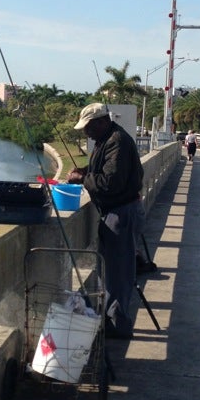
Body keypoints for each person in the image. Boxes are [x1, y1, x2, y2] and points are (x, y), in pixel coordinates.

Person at [67, 102, 145, 340]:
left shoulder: (117, 142)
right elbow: (99, 170)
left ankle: (117, 326)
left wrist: (83, 178)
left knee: (119, 274)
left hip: (121, 214)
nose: (85, 132)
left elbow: (111, 183)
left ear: (101, 122)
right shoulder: (106, 140)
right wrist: (84, 171)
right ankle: (110, 319)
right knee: (111, 271)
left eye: (88, 127)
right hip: (116, 212)